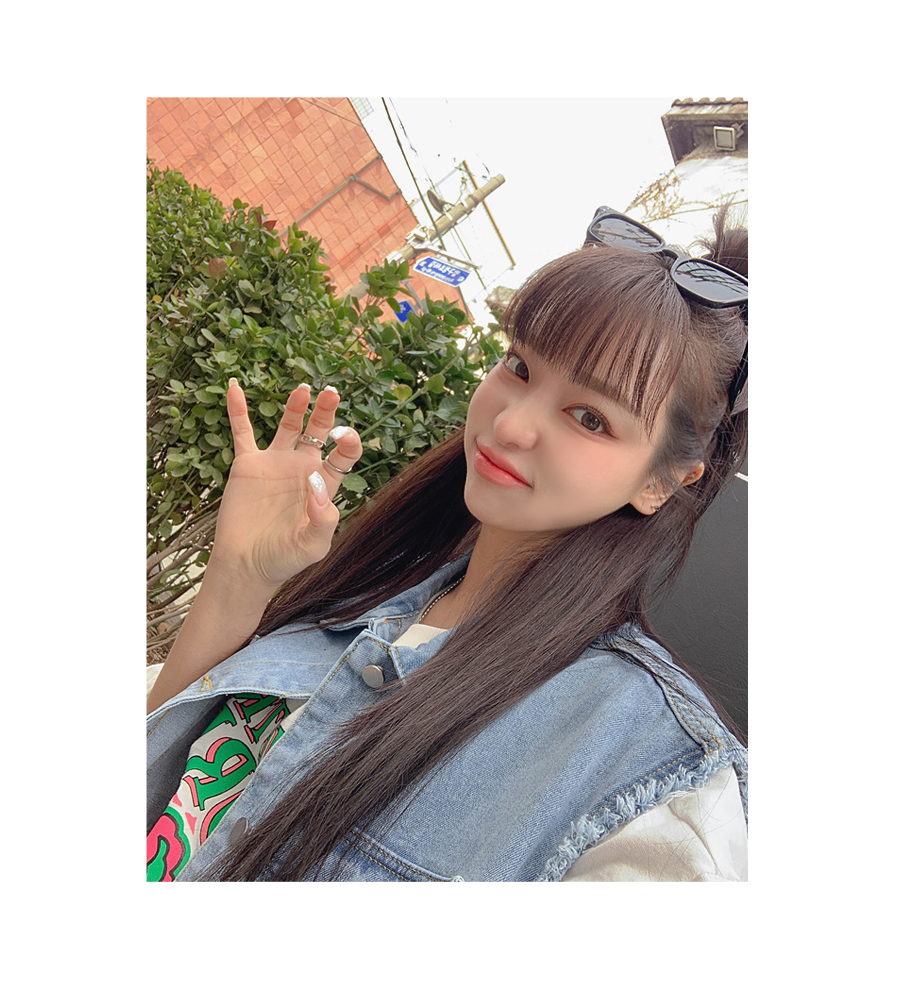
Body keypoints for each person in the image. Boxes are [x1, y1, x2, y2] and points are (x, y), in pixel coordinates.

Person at [147, 205, 749, 882]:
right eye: (520, 366)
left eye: (589, 417)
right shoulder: (366, 595)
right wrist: (238, 579)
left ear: (662, 481)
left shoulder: (655, 772)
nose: (511, 424)